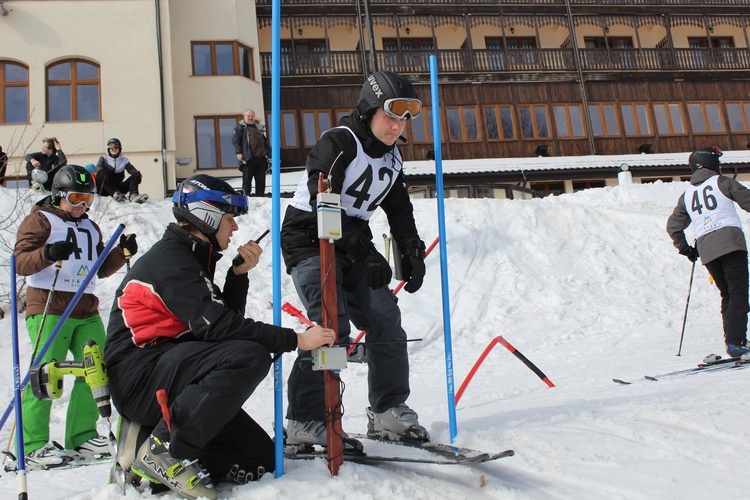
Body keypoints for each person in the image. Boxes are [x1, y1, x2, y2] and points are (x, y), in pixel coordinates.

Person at [104, 174, 336, 499]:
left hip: (173, 374)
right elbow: (219, 329)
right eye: (230, 218)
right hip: (140, 377)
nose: (235, 227)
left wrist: (236, 277)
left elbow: (218, 331)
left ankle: (143, 446)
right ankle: (165, 448)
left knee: (260, 462)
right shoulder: (172, 260)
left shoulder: (196, 257)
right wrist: (296, 340)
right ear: (206, 214)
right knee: (249, 355)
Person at [281, 71, 428, 448]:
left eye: (405, 119)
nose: (398, 127)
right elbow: (322, 203)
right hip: (309, 237)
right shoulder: (339, 142)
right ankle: (304, 419)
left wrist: (411, 251)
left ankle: (387, 409)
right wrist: (365, 251)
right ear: (368, 110)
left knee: (385, 317)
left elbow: (399, 210)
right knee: (333, 328)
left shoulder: (393, 159)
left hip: (351, 239)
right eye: (391, 116)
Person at [13, 164, 136, 469]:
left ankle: (81, 436)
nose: (82, 206)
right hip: (49, 305)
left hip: (85, 307)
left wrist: (120, 253)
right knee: (44, 374)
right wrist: (48, 253)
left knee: (96, 368)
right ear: (58, 195)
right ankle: (33, 444)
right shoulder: (41, 220)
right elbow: (20, 262)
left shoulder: (91, 228)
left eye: (89, 200)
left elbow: (98, 269)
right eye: (76, 198)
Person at [667, 146, 750, 359]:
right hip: (730, 243)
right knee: (738, 293)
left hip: (707, 251)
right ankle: (736, 343)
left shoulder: (687, 195)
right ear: (712, 164)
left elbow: (674, 227)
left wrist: (686, 249)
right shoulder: (722, 182)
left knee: (728, 295)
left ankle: (733, 340)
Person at [95, 138, 148, 203]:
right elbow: (98, 168)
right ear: (108, 148)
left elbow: (132, 170)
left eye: (116, 146)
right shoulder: (103, 159)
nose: (114, 148)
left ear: (119, 148)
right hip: (105, 189)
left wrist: (137, 175)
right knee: (100, 173)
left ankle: (133, 195)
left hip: (119, 189)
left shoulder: (124, 160)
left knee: (136, 174)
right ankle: (115, 193)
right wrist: (101, 171)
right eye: (111, 146)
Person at [231, 109, 269, 197]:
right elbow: (235, 141)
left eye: (252, 116)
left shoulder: (258, 128)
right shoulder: (240, 128)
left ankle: (260, 198)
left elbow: (265, 142)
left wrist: (267, 153)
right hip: (248, 159)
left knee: (261, 181)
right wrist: (239, 152)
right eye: (248, 116)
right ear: (244, 117)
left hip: (261, 158)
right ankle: (246, 198)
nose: (250, 118)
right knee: (247, 181)